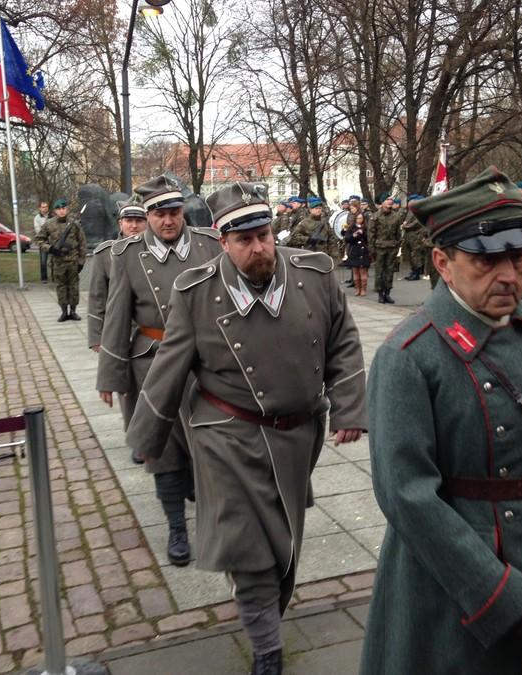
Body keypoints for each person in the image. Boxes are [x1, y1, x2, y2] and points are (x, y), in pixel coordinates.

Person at [361, 167, 522, 674]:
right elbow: (406, 497)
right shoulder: (410, 355)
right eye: (485, 260)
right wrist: (498, 598)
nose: (508, 275)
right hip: (461, 569)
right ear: (443, 262)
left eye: (517, 257)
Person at [125, 181, 366, 675]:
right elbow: (169, 368)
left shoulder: (315, 275)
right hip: (225, 431)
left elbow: (343, 340)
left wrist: (349, 406)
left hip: (298, 432)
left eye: (264, 235)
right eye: (244, 239)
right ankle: (267, 650)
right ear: (222, 239)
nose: (258, 248)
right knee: (248, 547)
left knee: (283, 544)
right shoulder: (195, 292)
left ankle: (264, 619)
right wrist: (147, 440)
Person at [98, 175, 221, 566]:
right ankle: (176, 530)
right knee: (163, 451)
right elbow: (116, 318)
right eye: (158, 214)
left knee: (211, 446)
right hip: (151, 363)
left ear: (182, 210)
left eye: (173, 212)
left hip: (205, 363)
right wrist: (110, 377)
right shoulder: (128, 255)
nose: (167, 221)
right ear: (147, 215)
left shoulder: (208, 245)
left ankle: (212, 520)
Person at [89, 199, 149, 464]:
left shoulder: (157, 251)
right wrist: (97, 337)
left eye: (139, 221)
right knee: (129, 389)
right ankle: (137, 439)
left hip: (150, 330)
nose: (134, 226)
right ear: (120, 224)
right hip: (120, 332)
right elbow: (97, 297)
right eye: (129, 221)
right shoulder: (106, 254)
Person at [35, 198, 87, 322]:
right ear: (55, 211)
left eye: (64, 208)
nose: (62, 211)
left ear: (67, 209)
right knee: (61, 287)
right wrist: (51, 249)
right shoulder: (49, 224)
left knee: (74, 287)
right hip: (58, 262)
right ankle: (64, 312)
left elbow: (82, 242)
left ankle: (73, 312)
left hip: (73, 261)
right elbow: (38, 240)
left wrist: (81, 261)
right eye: (59, 209)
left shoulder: (74, 224)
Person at [368, 196, 402, 303]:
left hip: (392, 247)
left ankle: (387, 293)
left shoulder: (396, 216)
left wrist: (397, 246)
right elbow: (371, 234)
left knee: (389, 271)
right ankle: (380, 293)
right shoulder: (375, 216)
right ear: (382, 203)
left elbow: (398, 234)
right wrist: (372, 249)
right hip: (379, 248)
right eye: (387, 200)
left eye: (391, 200)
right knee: (379, 271)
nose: (390, 202)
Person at [343, 211, 371, 295]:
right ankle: (357, 289)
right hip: (354, 251)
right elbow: (347, 239)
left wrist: (363, 234)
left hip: (363, 251)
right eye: (358, 218)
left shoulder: (366, 227)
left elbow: (369, 238)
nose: (360, 220)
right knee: (355, 271)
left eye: (361, 218)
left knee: (363, 271)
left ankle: (363, 289)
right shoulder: (351, 228)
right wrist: (353, 236)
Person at [401, 194, 427, 281]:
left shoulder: (420, 210)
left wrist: (406, 226)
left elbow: (417, 222)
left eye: (410, 201)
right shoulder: (410, 210)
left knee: (415, 254)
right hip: (409, 236)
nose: (408, 203)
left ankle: (416, 272)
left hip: (416, 235)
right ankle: (413, 271)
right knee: (411, 254)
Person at [34, 201, 50, 283]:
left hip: (53, 240)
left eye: (46, 206)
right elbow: (38, 231)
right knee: (43, 261)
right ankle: (44, 278)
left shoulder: (52, 216)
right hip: (43, 241)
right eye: (43, 207)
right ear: (40, 208)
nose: (45, 208)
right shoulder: (37, 218)